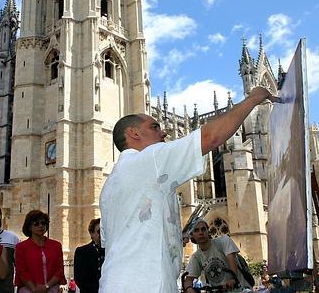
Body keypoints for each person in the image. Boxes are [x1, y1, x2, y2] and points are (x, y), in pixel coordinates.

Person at [99, 86, 277, 292]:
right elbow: (210, 137)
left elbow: (123, 237)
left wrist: (175, 238)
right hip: (145, 284)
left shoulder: (109, 187)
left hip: (116, 282)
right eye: (155, 127)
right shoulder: (149, 160)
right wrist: (254, 98)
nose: (164, 131)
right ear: (133, 133)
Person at [182, 219, 252, 293]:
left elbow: (232, 259)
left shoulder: (223, 241)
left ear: (208, 231)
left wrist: (232, 279)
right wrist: (189, 289)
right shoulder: (196, 257)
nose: (200, 233)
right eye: (196, 230)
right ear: (191, 235)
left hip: (240, 289)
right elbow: (188, 280)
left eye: (203, 229)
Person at [14, 210, 65, 293]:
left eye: (43, 223)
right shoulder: (21, 247)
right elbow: (21, 271)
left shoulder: (56, 245)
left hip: (51, 289)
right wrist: (34, 289)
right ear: (29, 227)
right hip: (28, 290)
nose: (40, 225)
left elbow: (59, 270)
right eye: (36, 223)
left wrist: (47, 286)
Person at [73, 218, 104, 293]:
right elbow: (79, 279)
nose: (102, 234)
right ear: (91, 233)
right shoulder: (82, 252)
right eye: (99, 231)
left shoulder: (110, 251)